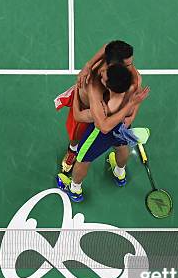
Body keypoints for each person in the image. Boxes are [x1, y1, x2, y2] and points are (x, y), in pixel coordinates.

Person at [56, 63, 150, 202]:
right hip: (122, 127)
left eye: (105, 78)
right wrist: (131, 115)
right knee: (122, 147)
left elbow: (78, 115)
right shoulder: (130, 93)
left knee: (82, 159)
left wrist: (76, 91)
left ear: (110, 87)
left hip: (99, 134)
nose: (102, 75)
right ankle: (119, 174)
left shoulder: (103, 109)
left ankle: (74, 189)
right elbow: (137, 97)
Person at [54, 40, 142, 173]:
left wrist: (78, 90)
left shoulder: (124, 77)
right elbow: (108, 45)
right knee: (118, 145)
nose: (131, 68)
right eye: (128, 64)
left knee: (84, 154)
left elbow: (98, 123)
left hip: (98, 116)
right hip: (103, 113)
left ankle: (76, 186)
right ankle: (119, 172)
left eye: (131, 63)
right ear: (113, 62)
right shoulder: (102, 73)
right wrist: (87, 65)